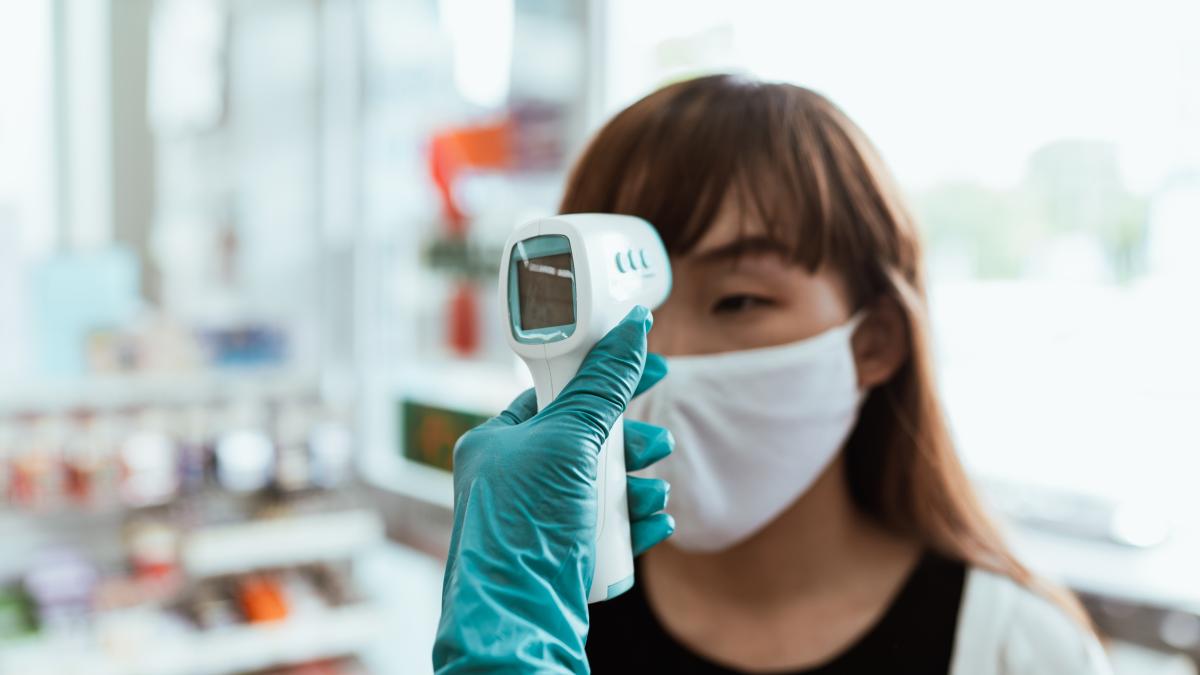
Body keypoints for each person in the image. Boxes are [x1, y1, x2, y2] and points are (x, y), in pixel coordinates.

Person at [434, 74, 1111, 674]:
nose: (661, 354)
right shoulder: (545, 619)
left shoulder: (1017, 651)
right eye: (625, 309)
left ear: (874, 341)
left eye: (738, 301)